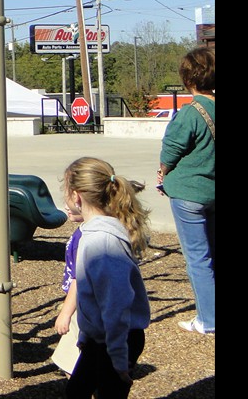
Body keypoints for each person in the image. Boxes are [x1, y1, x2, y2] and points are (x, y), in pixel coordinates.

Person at [62, 157, 151, 399]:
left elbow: (116, 302)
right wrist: (85, 335)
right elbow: (93, 297)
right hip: (104, 338)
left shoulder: (102, 241)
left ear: (76, 195)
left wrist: (119, 358)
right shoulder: (91, 234)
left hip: (117, 338)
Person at [158, 46, 215, 336]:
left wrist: (163, 171)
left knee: (198, 257)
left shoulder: (189, 113)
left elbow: (172, 149)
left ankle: (208, 319)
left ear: (188, 78)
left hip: (189, 194)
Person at [51, 200, 86, 376]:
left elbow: (79, 280)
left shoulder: (87, 236)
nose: (65, 207)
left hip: (81, 308)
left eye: (69, 201)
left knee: (72, 365)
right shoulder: (86, 231)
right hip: (83, 307)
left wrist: (65, 313)